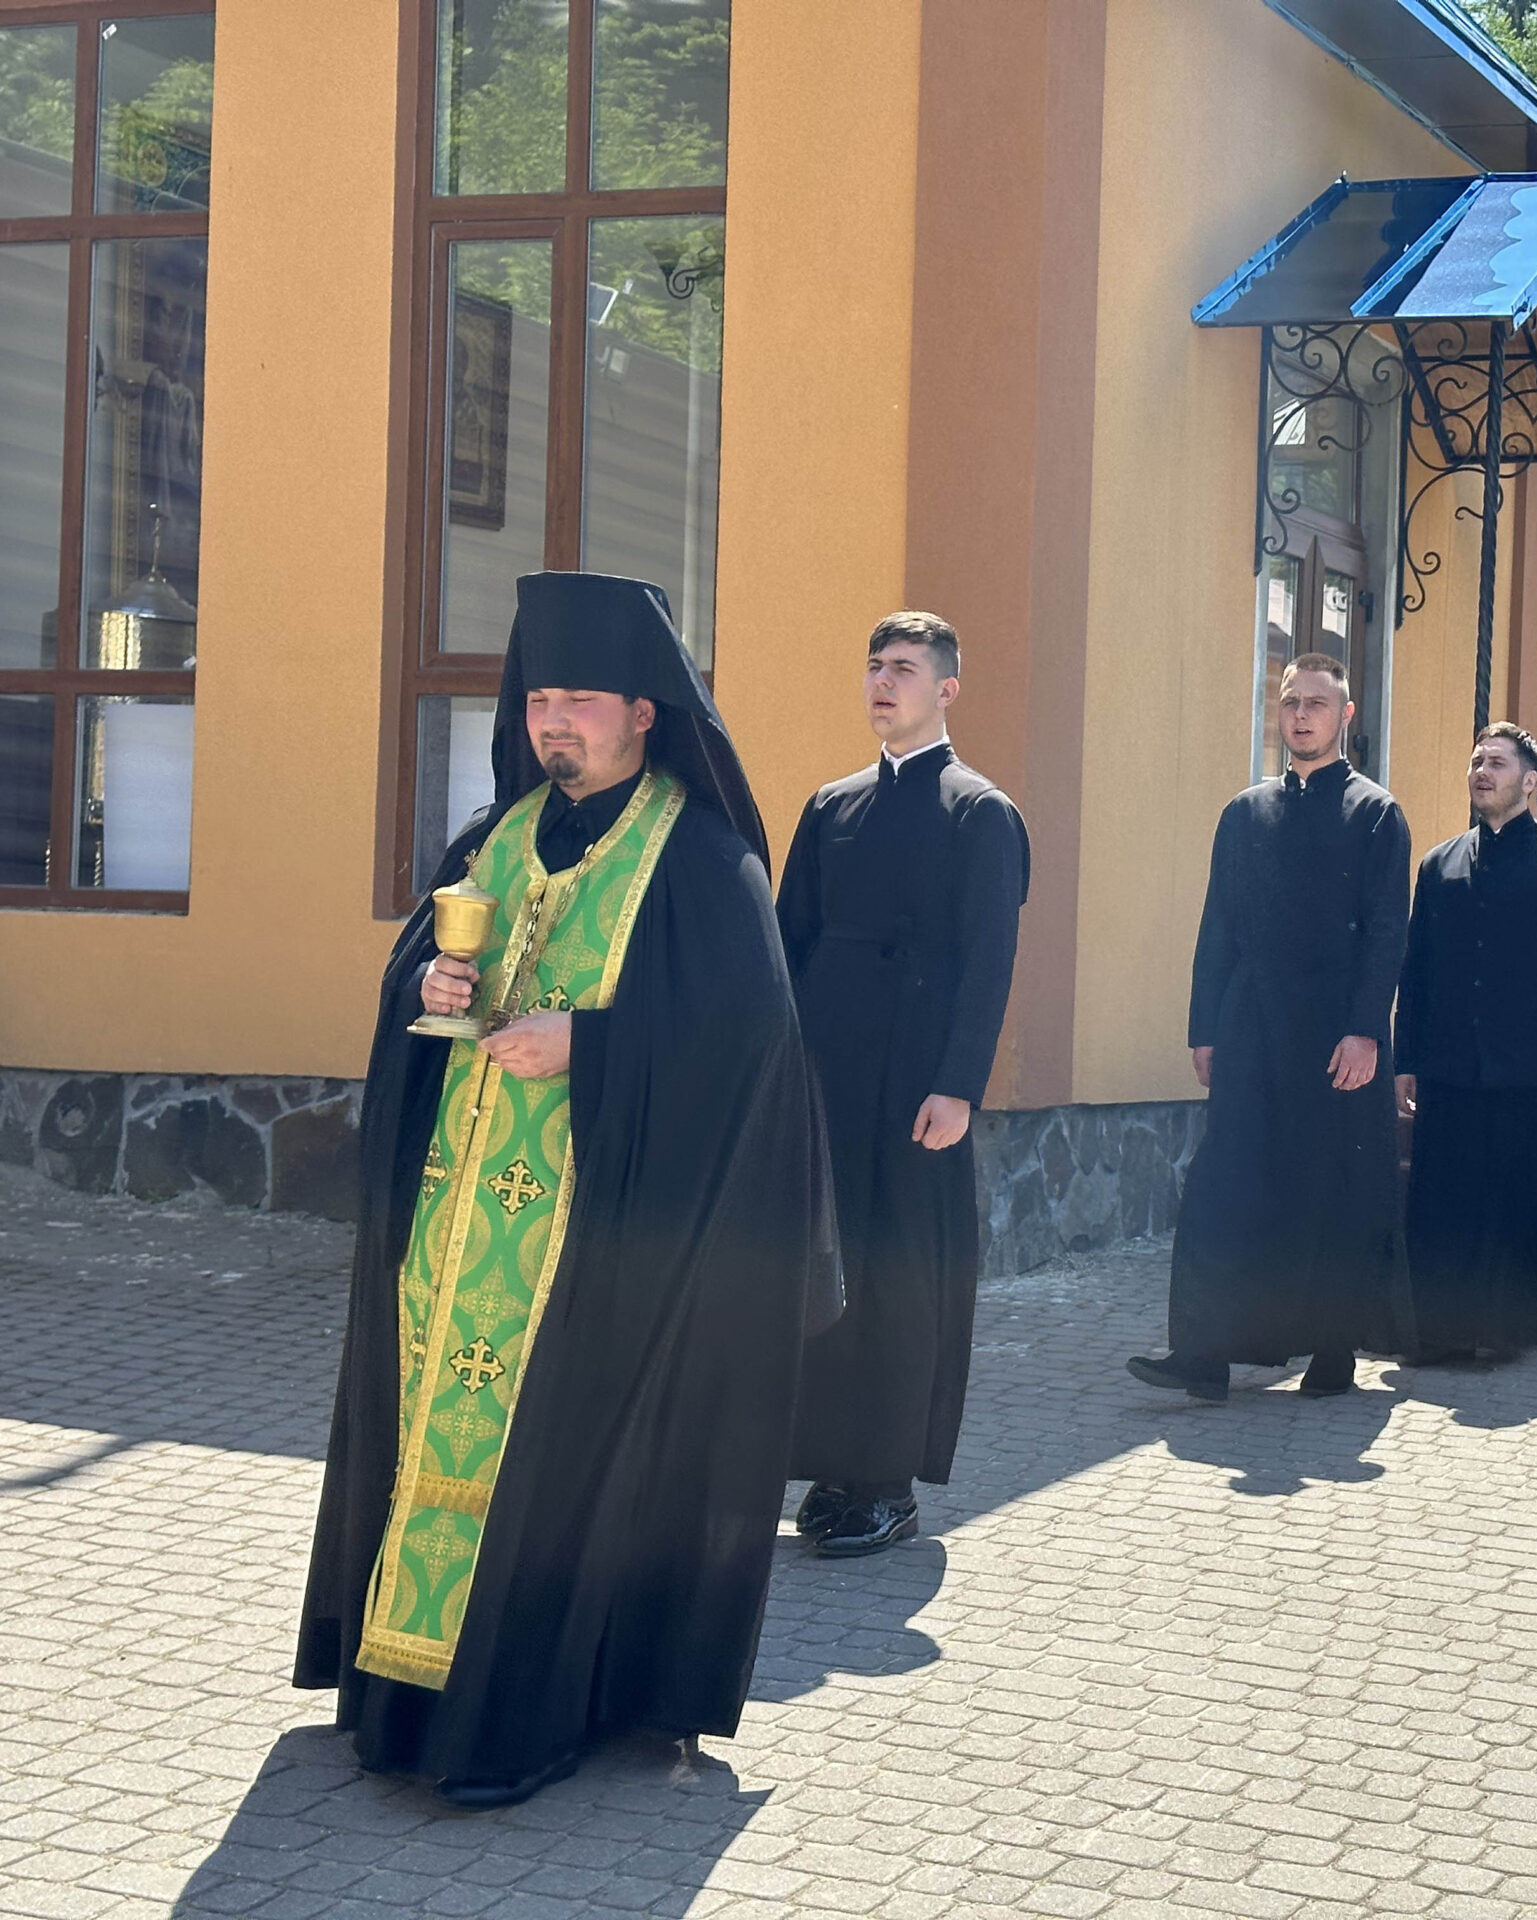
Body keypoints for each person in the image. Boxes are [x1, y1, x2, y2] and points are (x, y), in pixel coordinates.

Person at [297, 572, 838, 1808]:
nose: (554, 721)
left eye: (580, 700)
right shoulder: (488, 842)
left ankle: (527, 1718)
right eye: (540, 698)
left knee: (554, 1471)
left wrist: (590, 1046)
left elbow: (752, 1047)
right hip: (452, 1233)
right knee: (426, 1444)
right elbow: (418, 982)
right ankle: (404, 1696)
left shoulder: (700, 859)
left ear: (644, 712)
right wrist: (425, 990)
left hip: (597, 1244)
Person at [781, 613, 1029, 1559]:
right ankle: (827, 1465)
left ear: (947, 690)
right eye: (874, 666)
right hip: (828, 1079)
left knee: (899, 1279)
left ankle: (886, 1482)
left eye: (905, 669)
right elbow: (789, 942)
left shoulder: (981, 812)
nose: (883, 682)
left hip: (918, 1083)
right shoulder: (830, 805)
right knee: (826, 1266)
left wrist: (958, 1085)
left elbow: (990, 961)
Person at [1131, 654, 1412, 1403]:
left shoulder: (1376, 813)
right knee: (1225, 1187)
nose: (1301, 715)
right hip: (1252, 1026)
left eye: (1316, 703)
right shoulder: (1244, 812)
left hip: (1335, 1035)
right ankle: (1203, 1354)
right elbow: (1217, 925)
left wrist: (1366, 1030)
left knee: (1331, 1190)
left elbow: (1388, 930)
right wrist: (1204, 1030)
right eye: (1291, 702)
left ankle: (1332, 1349)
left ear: (1345, 715)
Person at [1395, 724, 1537, 1359]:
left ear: (1532, 781)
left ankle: (1508, 1329)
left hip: (1529, 1067)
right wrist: (1406, 1061)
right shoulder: (1439, 864)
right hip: (1450, 1067)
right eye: (1476, 761)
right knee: (1445, 1203)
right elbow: (1417, 970)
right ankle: (1440, 1332)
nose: (1481, 771)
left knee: (1516, 1203)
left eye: (1497, 763)